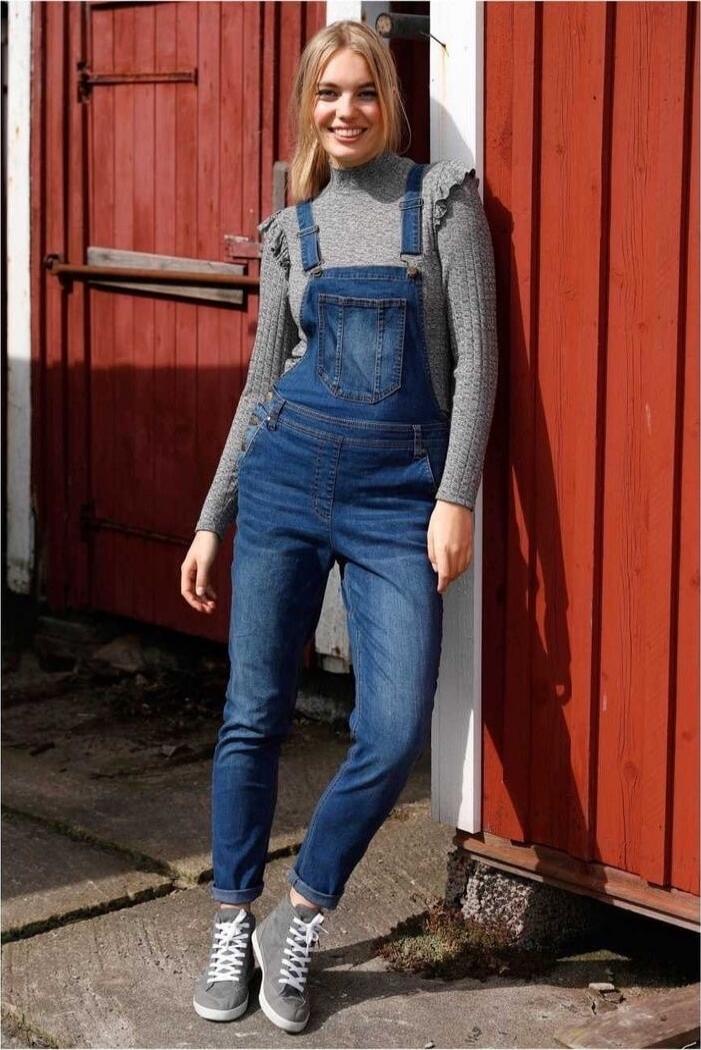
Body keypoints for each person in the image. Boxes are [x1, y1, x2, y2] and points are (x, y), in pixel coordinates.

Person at [180, 18, 498, 1035]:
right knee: (252, 714)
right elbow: (258, 385)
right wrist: (209, 519)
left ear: (388, 100)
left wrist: (455, 498)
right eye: (328, 94)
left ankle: (301, 911)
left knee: (393, 726)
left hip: (397, 495)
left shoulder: (441, 203)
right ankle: (233, 917)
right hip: (281, 485)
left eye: (362, 91)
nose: (345, 110)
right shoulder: (293, 231)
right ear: (307, 107)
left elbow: (477, 368)